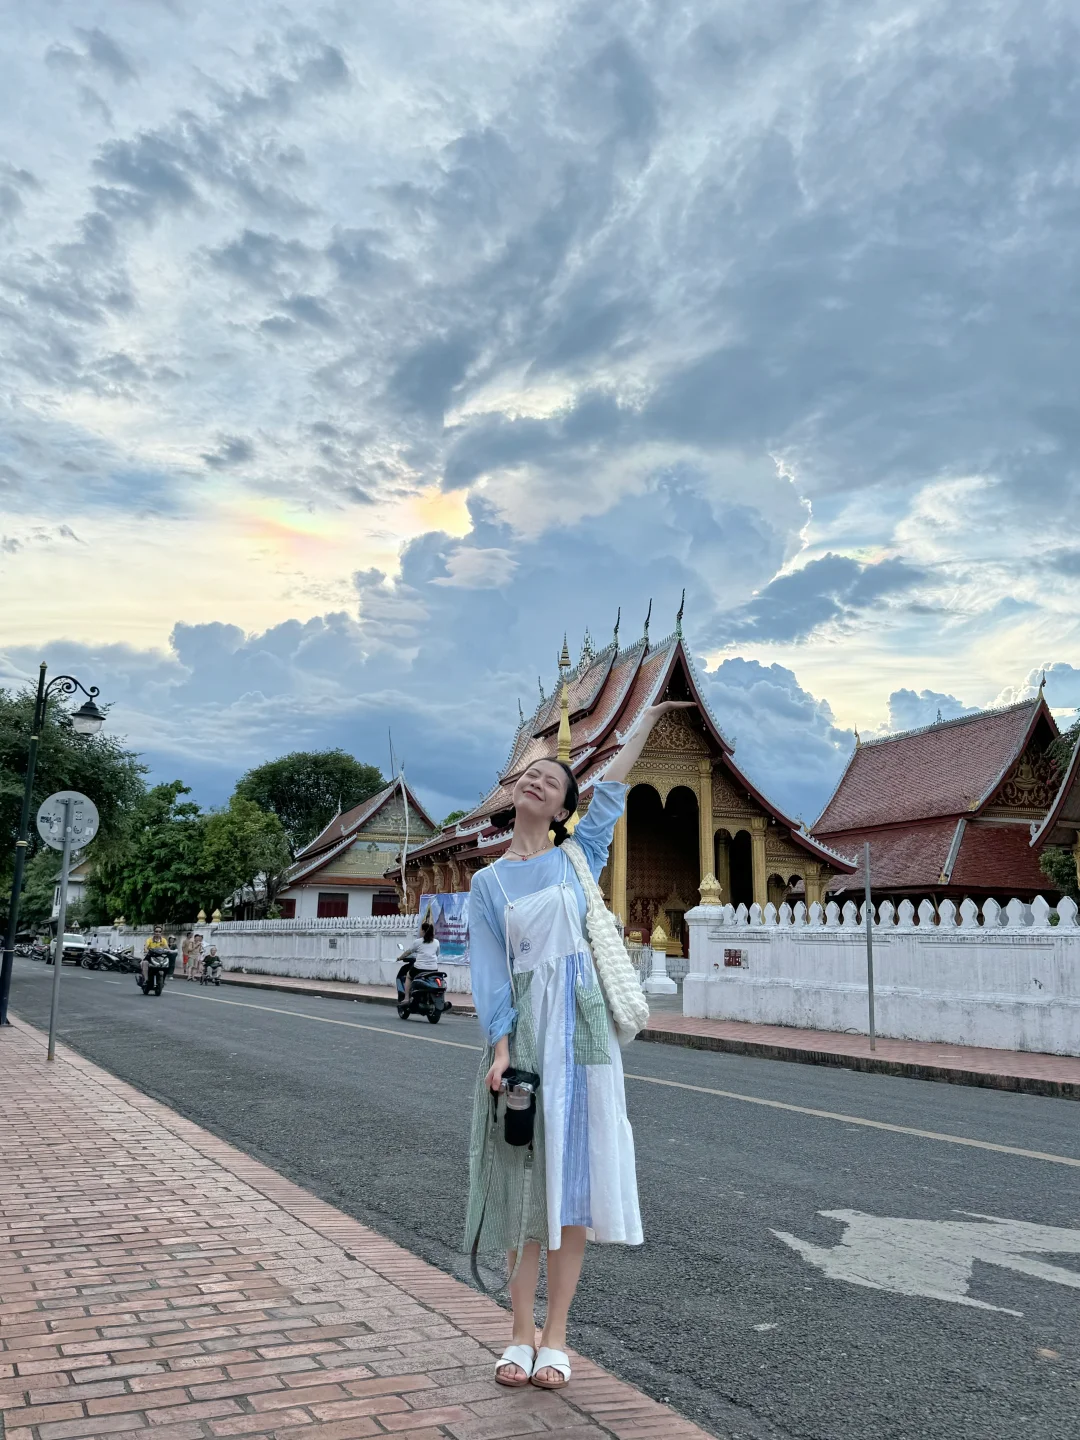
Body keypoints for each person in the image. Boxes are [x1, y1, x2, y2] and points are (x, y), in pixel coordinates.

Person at [466, 699, 692, 1390]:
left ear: (564, 807)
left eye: (553, 782)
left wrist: (649, 723)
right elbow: (489, 973)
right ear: (513, 792)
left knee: (572, 1189)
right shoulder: (487, 883)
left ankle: (556, 1338)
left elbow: (616, 786)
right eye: (530, 775)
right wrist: (501, 1050)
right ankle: (517, 1333)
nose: (538, 782)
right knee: (520, 1187)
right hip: (528, 1034)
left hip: (586, 1030)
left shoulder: (579, 856)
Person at [401, 920, 441, 1006]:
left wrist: (400, 957)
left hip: (419, 969)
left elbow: (408, 952)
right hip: (433, 969)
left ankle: (406, 998)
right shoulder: (436, 942)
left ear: (423, 931)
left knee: (408, 976)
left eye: (420, 930)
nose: (419, 931)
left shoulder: (418, 942)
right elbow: (437, 954)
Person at [140, 925, 169, 989]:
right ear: (154, 932)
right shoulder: (149, 940)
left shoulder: (163, 940)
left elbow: (167, 948)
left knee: (167, 965)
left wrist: (170, 951)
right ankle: (145, 980)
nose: (158, 933)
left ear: (161, 933)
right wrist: (146, 950)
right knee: (144, 963)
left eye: (159, 932)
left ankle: (163, 980)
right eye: (156, 931)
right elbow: (146, 947)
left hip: (160, 958)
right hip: (150, 956)